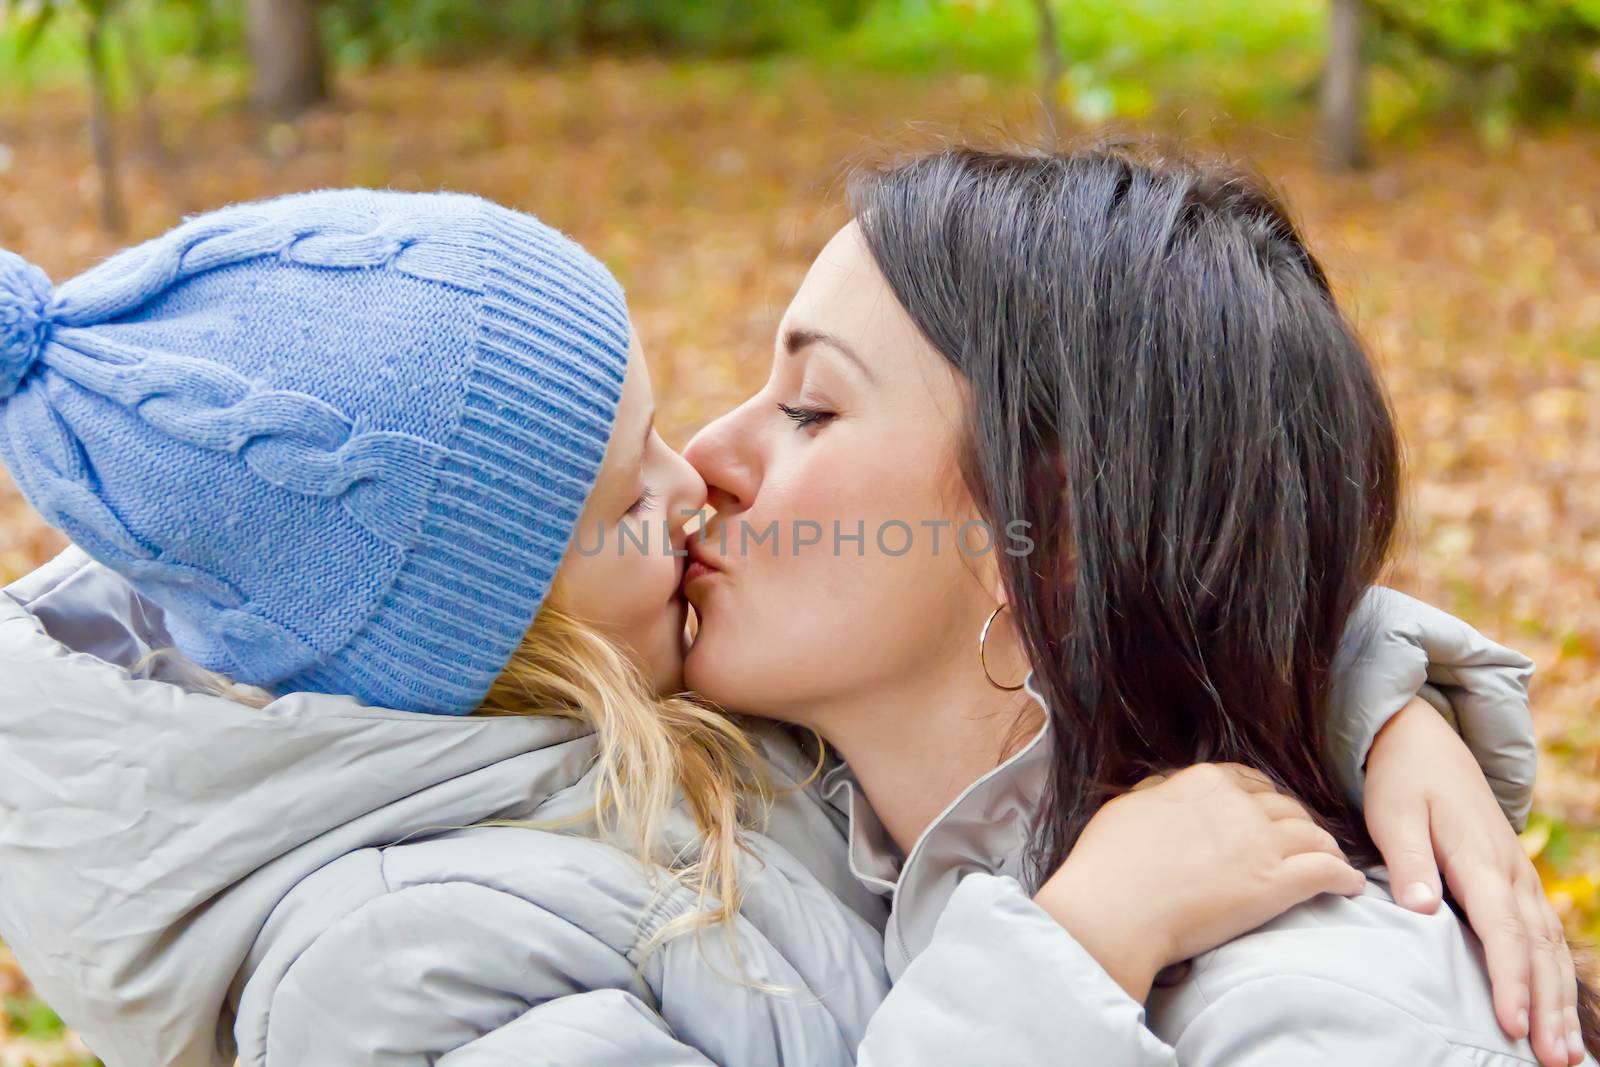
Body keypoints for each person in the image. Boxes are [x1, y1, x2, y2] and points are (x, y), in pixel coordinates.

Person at [0, 183, 1571, 1067]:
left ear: (1051, 546)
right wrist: (1075, 951)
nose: (708, 477)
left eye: (807, 402)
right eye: (631, 493)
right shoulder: (448, 913)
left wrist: (1364, 692)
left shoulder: (1312, 1014)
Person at [679, 143, 1595, 1066]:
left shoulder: (1324, 1023)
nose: (700, 458)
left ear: (1049, 525)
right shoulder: (809, 839)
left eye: (809, 409)